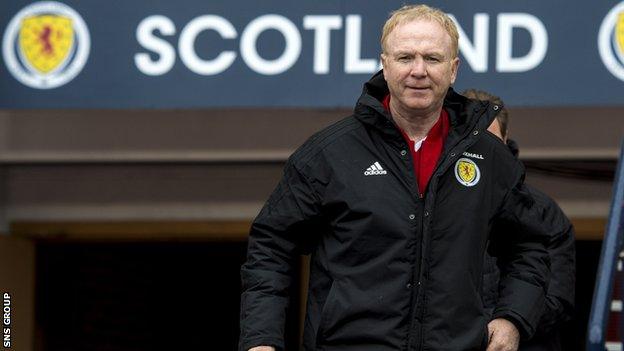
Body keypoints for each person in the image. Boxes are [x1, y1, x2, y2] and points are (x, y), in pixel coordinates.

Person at [239, 5, 550, 351]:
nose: (418, 71)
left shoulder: (489, 157)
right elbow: (271, 245)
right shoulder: (331, 154)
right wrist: (261, 340)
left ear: (454, 69)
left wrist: (513, 317)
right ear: (385, 65)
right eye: (405, 57)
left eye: (433, 58)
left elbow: (532, 244)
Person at [463, 89, 576, 351]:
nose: (480, 150)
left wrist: (505, 322)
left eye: (490, 140)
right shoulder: (426, 203)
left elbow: (556, 302)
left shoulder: (542, 210)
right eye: (470, 138)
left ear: (505, 141)